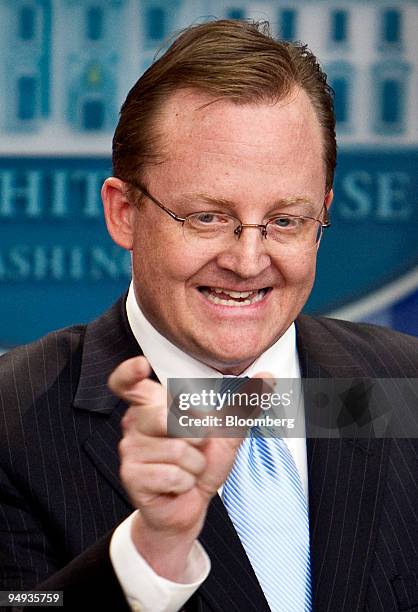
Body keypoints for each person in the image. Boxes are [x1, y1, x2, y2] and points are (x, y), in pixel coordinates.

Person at [0, 19, 417, 612]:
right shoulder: (11, 422)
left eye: (286, 221)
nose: (249, 262)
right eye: (207, 217)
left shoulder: (404, 389)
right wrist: (150, 556)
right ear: (124, 213)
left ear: (323, 213)